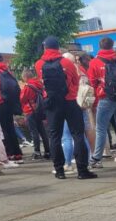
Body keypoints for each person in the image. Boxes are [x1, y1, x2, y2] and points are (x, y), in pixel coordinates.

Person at [35, 36, 96, 180]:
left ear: (45, 47)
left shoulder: (39, 64)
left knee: (55, 136)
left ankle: (59, 170)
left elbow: (42, 83)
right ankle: (82, 170)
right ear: (58, 47)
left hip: (51, 104)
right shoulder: (67, 63)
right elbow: (75, 80)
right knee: (78, 135)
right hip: (69, 101)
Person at [86, 38, 116, 169]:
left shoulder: (95, 62)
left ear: (100, 46)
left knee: (101, 129)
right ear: (112, 46)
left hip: (106, 98)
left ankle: (96, 158)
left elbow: (92, 82)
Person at [0, 54, 23, 162]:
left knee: (4, 129)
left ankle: (10, 153)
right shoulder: (7, 71)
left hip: (0, 102)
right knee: (11, 127)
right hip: (9, 102)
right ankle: (17, 153)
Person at [20, 69, 50, 160]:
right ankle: (48, 151)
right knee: (42, 131)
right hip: (39, 110)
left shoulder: (28, 86)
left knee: (34, 132)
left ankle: (37, 152)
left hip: (30, 110)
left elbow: (22, 99)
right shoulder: (39, 84)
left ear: (25, 77)